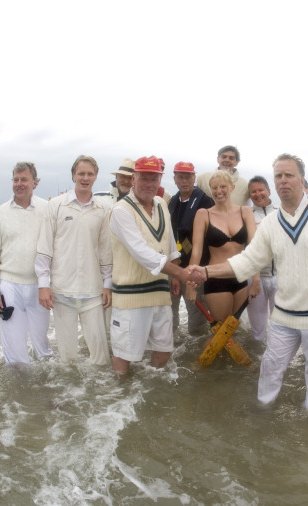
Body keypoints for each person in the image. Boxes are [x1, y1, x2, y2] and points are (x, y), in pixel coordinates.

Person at [187, 154, 308, 410]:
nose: (283, 181)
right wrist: (206, 273)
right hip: (283, 316)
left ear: (302, 179)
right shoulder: (271, 222)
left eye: (289, 175)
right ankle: (261, 419)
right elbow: (248, 261)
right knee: (270, 368)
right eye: (278, 176)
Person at [109, 155, 201, 374]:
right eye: (144, 178)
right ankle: (120, 397)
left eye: (154, 179)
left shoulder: (161, 204)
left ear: (160, 180)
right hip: (130, 295)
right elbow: (143, 254)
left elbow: (170, 244)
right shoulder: (121, 210)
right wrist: (182, 274)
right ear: (134, 179)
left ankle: (147, 390)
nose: (149, 184)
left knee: (164, 350)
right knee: (124, 353)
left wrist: (175, 277)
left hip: (159, 292)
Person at [35, 155, 112, 365]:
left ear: (96, 176)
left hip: (94, 291)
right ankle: (69, 396)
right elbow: (44, 248)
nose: (85, 178)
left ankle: (102, 396)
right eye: (81, 173)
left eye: (90, 174)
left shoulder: (103, 209)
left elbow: (106, 251)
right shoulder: (56, 206)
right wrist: (43, 285)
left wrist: (107, 285)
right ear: (73, 175)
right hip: (62, 291)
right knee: (67, 358)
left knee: (101, 356)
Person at [0, 162, 52, 365]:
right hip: (9, 286)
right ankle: (18, 392)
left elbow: (53, 248)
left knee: (42, 348)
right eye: (15, 180)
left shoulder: (47, 209)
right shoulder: (0, 213)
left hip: (39, 286)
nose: (19, 184)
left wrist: (48, 284)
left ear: (34, 182)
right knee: (14, 351)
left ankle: (46, 390)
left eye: (24, 179)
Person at [186, 171, 258, 323]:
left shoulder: (245, 211)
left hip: (241, 278)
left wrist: (256, 281)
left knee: (233, 330)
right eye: (214, 188)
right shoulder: (203, 214)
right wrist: (190, 285)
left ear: (232, 187)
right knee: (220, 331)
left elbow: (255, 248)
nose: (219, 191)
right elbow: (197, 251)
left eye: (223, 186)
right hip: (216, 280)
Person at [168, 161, 215, 333]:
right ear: (174, 179)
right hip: (174, 267)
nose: (184, 181)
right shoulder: (173, 202)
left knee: (197, 318)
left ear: (194, 178)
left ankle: (195, 352)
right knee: (169, 315)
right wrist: (174, 271)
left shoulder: (205, 201)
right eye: (180, 176)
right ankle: (172, 351)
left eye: (188, 176)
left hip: (196, 269)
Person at [247, 176, 279, 342]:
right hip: (254, 279)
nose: (258, 194)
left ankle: (278, 361)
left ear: (269, 191)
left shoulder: (282, 213)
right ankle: (258, 358)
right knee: (257, 329)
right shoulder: (247, 216)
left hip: (280, 277)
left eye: (261, 190)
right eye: (253, 191)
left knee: (280, 325)